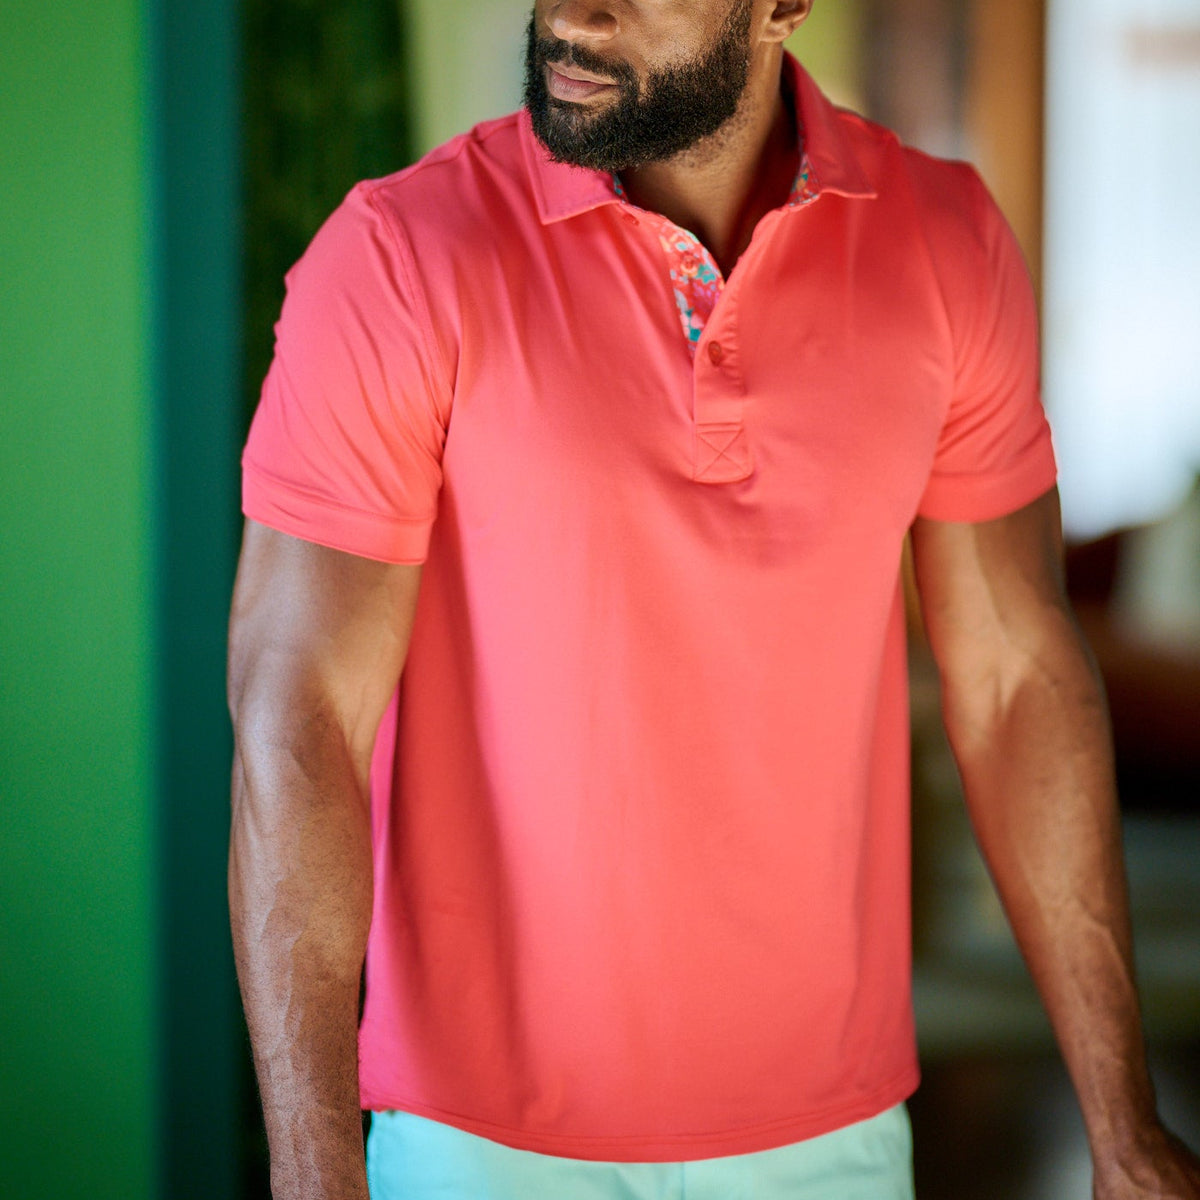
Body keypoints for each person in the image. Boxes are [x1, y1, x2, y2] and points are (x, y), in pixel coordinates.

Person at [227, 2, 1200, 1197]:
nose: (574, 12)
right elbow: (299, 710)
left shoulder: (946, 242)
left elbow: (1018, 682)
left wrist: (1123, 1123)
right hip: (481, 1146)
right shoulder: (397, 254)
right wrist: (312, 1165)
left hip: (832, 1137)